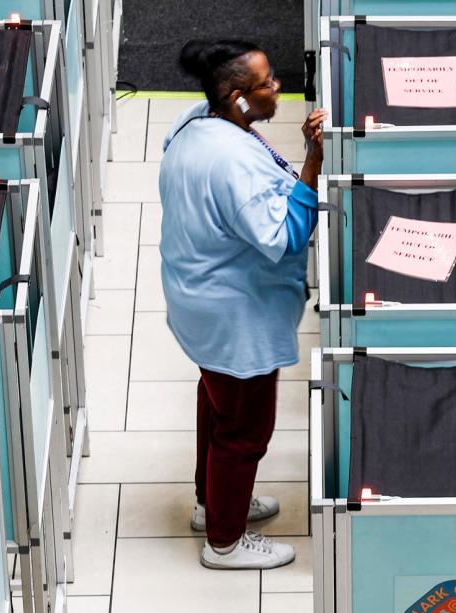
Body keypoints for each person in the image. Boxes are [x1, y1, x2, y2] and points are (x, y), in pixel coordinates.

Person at [160, 39, 324, 570]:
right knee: (244, 429)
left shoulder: (196, 122)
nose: (277, 88)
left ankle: (213, 504)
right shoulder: (233, 163)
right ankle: (225, 542)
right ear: (237, 97)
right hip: (236, 316)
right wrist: (314, 161)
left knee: (217, 403)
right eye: (267, 83)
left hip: (200, 300)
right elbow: (286, 234)